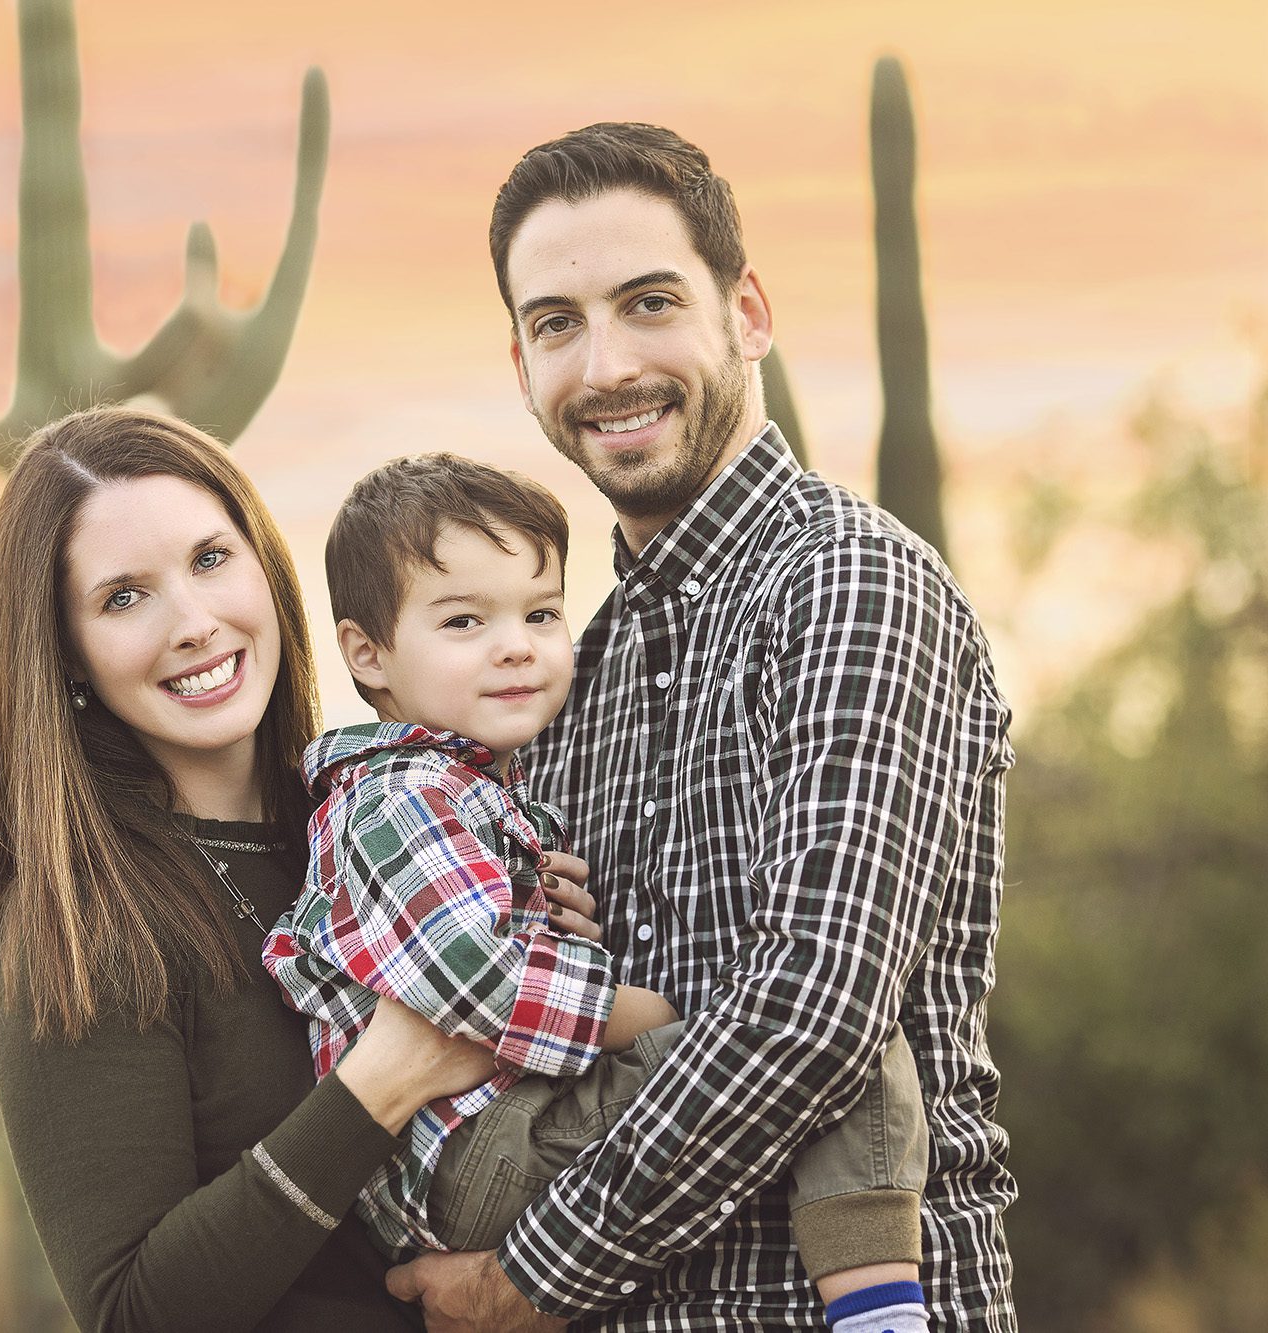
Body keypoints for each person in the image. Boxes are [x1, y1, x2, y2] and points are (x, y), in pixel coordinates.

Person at [386, 123, 1018, 1331]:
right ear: (519, 362)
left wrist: (532, 1277)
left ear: (747, 312)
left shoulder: (847, 584)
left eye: (648, 302)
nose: (606, 363)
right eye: (557, 322)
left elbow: (815, 1004)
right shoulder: (568, 670)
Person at [0, 406, 602, 1332]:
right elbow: (132, 1314)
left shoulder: (381, 819)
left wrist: (548, 922)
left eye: (211, 559)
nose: (197, 622)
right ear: (67, 650)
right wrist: (382, 1082)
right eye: (124, 597)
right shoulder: (76, 930)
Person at [264, 452, 930, 1330]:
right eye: (464, 620)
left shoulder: (476, 791)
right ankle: (883, 1313)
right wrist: (644, 1012)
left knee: (805, 1041)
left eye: (541, 613)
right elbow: (475, 976)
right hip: (477, 1144)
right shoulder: (398, 796)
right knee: (841, 1046)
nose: (517, 644)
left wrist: (558, 927)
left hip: (490, 1134)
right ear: (368, 652)